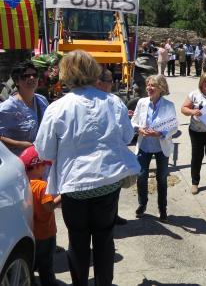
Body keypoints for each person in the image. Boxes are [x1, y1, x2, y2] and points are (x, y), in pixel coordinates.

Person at [35, 50, 140, 286]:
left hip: (75, 186)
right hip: (107, 181)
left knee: (78, 240)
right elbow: (126, 136)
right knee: (104, 238)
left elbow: (44, 151)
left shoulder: (58, 107)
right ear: (93, 71)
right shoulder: (113, 102)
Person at [131, 74, 179, 222]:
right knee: (141, 177)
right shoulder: (141, 103)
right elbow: (133, 121)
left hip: (161, 148)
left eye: (153, 85)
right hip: (144, 146)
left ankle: (162, 208)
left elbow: (174, 127)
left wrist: (160, 133)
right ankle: (142, 205)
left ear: (161, 88)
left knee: (162, 179)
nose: (149, 88)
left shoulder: (168, 105)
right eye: (148, 85)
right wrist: (138, 129)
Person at [20, 146, 61, 286]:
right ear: (37, 165)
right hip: (46, 232)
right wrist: (63, 196)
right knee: (46, 263)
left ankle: (30, 281)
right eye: (44, 165)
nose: (45, 168)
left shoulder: (23, 184)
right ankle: (49, 283)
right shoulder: (42, 186)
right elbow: (48, 207)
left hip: (32, 231)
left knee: (32, 261)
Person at [96, 68, 127, 226]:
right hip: (109, 156)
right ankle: (108, 219)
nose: (112, 85)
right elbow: (127, 136)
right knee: (109, 191)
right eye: (110, 82)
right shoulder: (114, 101)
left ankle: (113, 215)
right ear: (99, 83)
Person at [0, 61, 49, 155]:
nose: (32, 78)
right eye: (25, 76)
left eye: (35, 75)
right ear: (17, 81)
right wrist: (18, 144)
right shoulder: (7, 107)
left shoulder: (42, 100)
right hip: (18, 163)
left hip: (41, 161)